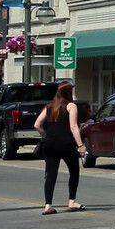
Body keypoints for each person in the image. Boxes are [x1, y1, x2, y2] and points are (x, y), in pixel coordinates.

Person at [37, 81, 87, 215]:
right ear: (68, 92)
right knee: (74, 170)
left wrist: (45, 135)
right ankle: (72, 201)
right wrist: (80, 145)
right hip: (65, 143)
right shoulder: (71, 106)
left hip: (49, 144)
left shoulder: (49, 107)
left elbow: (37, 124)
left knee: (51, 174)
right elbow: (73, 127)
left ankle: (48, 205)